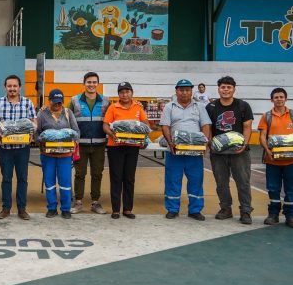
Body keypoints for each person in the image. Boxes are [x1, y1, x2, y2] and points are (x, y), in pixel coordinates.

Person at [160, 79, 212, 221]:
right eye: (181, 90)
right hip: (175, 150)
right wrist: (170, 143)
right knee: (172, 179)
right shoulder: (169, 107)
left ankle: (195, 210)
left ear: (191, 92)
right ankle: (172, 209)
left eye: (187, 90)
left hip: (195, 151)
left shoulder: (200, 107)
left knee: (196, 179)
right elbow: (165, 126)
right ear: (176, 91)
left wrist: (205, 143)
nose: (184, 92)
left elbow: (206, 125)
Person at [205, 76, 254, 224]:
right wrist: (211, 145)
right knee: (221, 182)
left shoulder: (243, 106)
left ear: (234, 89)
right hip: (218, 153)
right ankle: (226, 208)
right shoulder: (211, 107)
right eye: (223, 87)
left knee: (243, 182)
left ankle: (246, 211)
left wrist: (243, 145)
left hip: (239, 152)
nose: (225, 90)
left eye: (229, 87)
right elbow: (208, 128)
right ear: (218, 89)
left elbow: (247, 127)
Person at [258, 88, 293, 229]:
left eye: (281, 97)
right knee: (273, 188)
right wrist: (267, 151)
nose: (279, 99)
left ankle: (290, 216)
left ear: (285, 99)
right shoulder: (266, 116)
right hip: (272, 160)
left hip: (292, 161)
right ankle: (273, 215)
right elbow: (262, 136)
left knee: (291, 188)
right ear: (271, 100)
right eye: (276, 97)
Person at [0, 74, 36, 220]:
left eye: (15, 86)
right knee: (6, 178)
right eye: (9, 86)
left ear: (19, 87)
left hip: (23, 147)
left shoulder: (28, 103)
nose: (12, 89)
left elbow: (34, 122)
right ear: (5, 87)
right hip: (6, 148)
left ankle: (22, 209)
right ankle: (6, 208)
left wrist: (31, 134)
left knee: (22, 178)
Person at [102, 82, 149, 219]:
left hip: (132, 147)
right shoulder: (113, 107)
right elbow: (105, 125)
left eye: (127, 91)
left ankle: (127, 209)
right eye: (122, 92)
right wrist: (112, 134)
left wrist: (143, 136)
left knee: (129, 178)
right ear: (119, 95)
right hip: (115, 146)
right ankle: (116, 209)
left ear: (132, 92)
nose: (125, 94)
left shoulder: (138, 107)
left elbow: (146, 124)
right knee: (116, 177)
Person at [36, 89, 80, 219]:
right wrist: (42, 141)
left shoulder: (68, 113)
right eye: (55, 102)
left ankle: (66, 208)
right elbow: (36, 132)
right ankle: (52, 208)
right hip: (47, 155)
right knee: (49, 182)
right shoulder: (42, 114)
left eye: (60, 102)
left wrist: (73, 141)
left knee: (65, 182)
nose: (57, 105)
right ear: (49, 101)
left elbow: (76, 131)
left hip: (65, 155)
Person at [68, 71, 107, 215]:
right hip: (80, 145)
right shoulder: (74, 100)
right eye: (89, 82)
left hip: (99, 144)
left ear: (98, 84)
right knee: (80, 173)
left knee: (97, 173)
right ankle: (78, 202)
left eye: (94, 82)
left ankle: (95, 202)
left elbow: (112, 118)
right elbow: (65, 116)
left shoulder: (105, 101)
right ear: (84, 84)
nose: (91, 85)